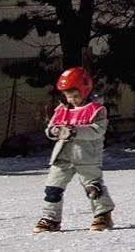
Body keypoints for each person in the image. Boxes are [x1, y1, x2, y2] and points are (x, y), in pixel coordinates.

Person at [35, 67, 115, 234]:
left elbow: (97, 130)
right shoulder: (62, 109)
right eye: (68, 96)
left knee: (93, 188)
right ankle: (50, 218)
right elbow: (51, 128)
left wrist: (74, 131)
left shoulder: (97, 109)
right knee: (53, 188)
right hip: (62, 156)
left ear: (85, 90)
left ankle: (103, 215)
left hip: (86, 156)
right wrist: (53, 132)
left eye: (75, 95)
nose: (72, 99)